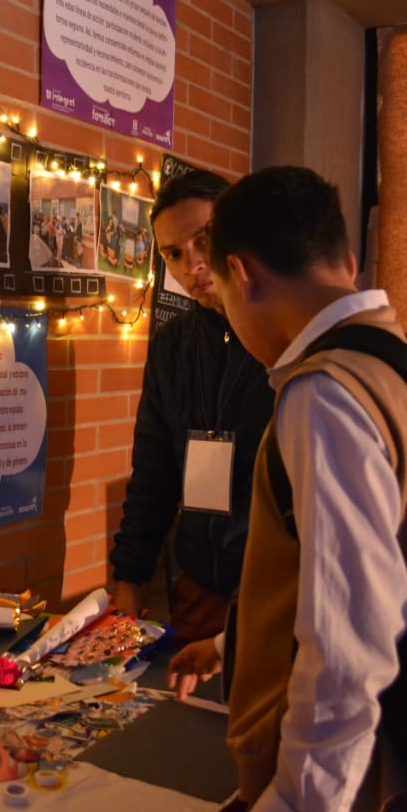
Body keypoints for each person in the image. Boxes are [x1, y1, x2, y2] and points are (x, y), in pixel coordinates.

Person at [171, 166, 407, 812]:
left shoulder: (325, 393)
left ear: (241, 275)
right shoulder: (401, 358)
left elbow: (349, 644)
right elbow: (383, 564)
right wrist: (232, 642)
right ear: (347, 261)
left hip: (365, 796)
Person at [108, 169, 275, 645]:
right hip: (198, 584)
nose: (193, 265)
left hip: (277, 590)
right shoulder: (171, 346)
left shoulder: (279, 333)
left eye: (204, 240)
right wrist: (129, 577)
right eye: (174, 254)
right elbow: (153, 474)